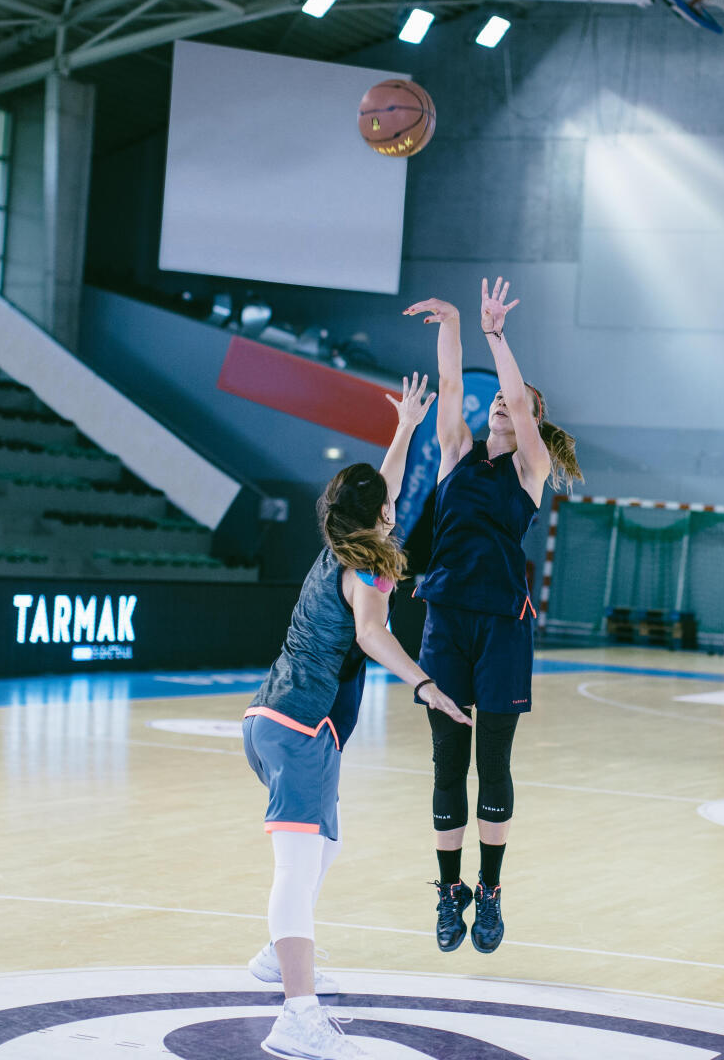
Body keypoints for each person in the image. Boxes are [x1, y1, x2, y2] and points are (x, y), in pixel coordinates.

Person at [243, 373, 472, 1060]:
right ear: (379, 519)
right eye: (389, 506)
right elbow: (372, 635)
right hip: (299, 728)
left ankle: (273, 958)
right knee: (293, 867)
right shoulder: (367, 571)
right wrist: (425, 683)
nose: (396, 507)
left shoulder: (345, 546)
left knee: (326, 848)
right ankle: (296, 1016)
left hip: (279, 723)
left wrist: (404, 428)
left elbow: (386, 485)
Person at [403, 279, 581, 956]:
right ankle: (450, 894)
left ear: (529, 415)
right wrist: (452, 323)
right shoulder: (455, 455)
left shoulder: (530, 468)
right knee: (448, 764)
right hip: (445, 620)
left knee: (494, 765)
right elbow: (452, 391)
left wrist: (496, 336)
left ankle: (493, 890)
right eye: (500, 400)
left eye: (518, 402)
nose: (504, 404)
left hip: (503, 627)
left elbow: (525, 414)